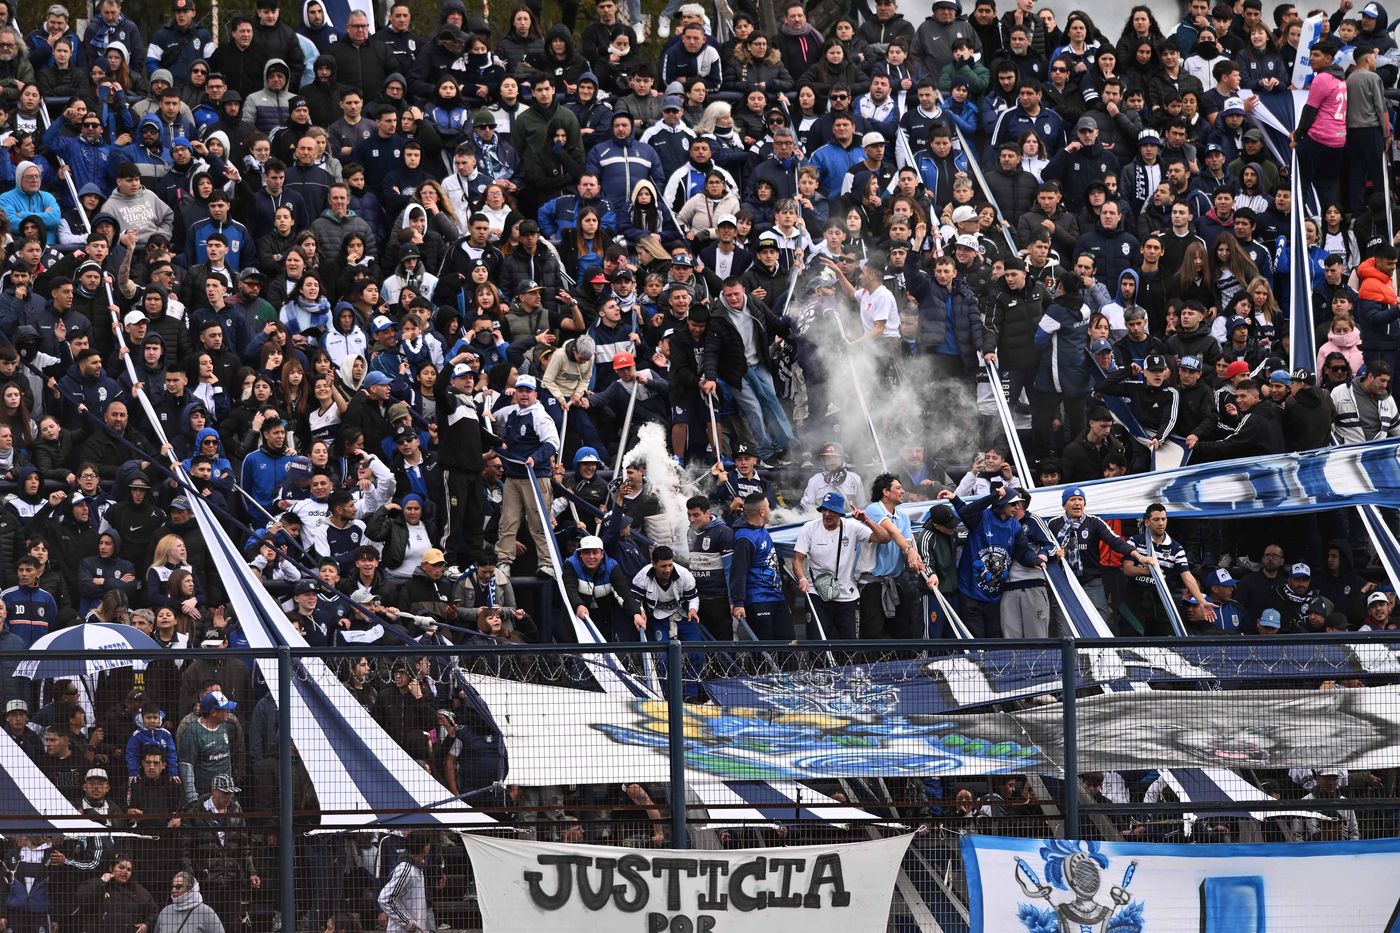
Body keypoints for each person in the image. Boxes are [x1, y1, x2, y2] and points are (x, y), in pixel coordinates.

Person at [793, 490, 890, 639]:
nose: (827, 514)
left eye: (831, 511)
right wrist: (801, 578)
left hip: (847, 595)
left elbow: (884, 538)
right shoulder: (809, 528)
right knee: (817, 641)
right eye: (824, 510)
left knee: (850, 646)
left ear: (840, 513)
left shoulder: (852, 527)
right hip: (816, 593)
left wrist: (867, 520)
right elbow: (798, 559)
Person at [378, 831, 430, 933]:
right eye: (428, 843)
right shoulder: (405, 869)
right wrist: (407, 923)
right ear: (425, 848)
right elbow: (384, 899)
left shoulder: (416, 867)